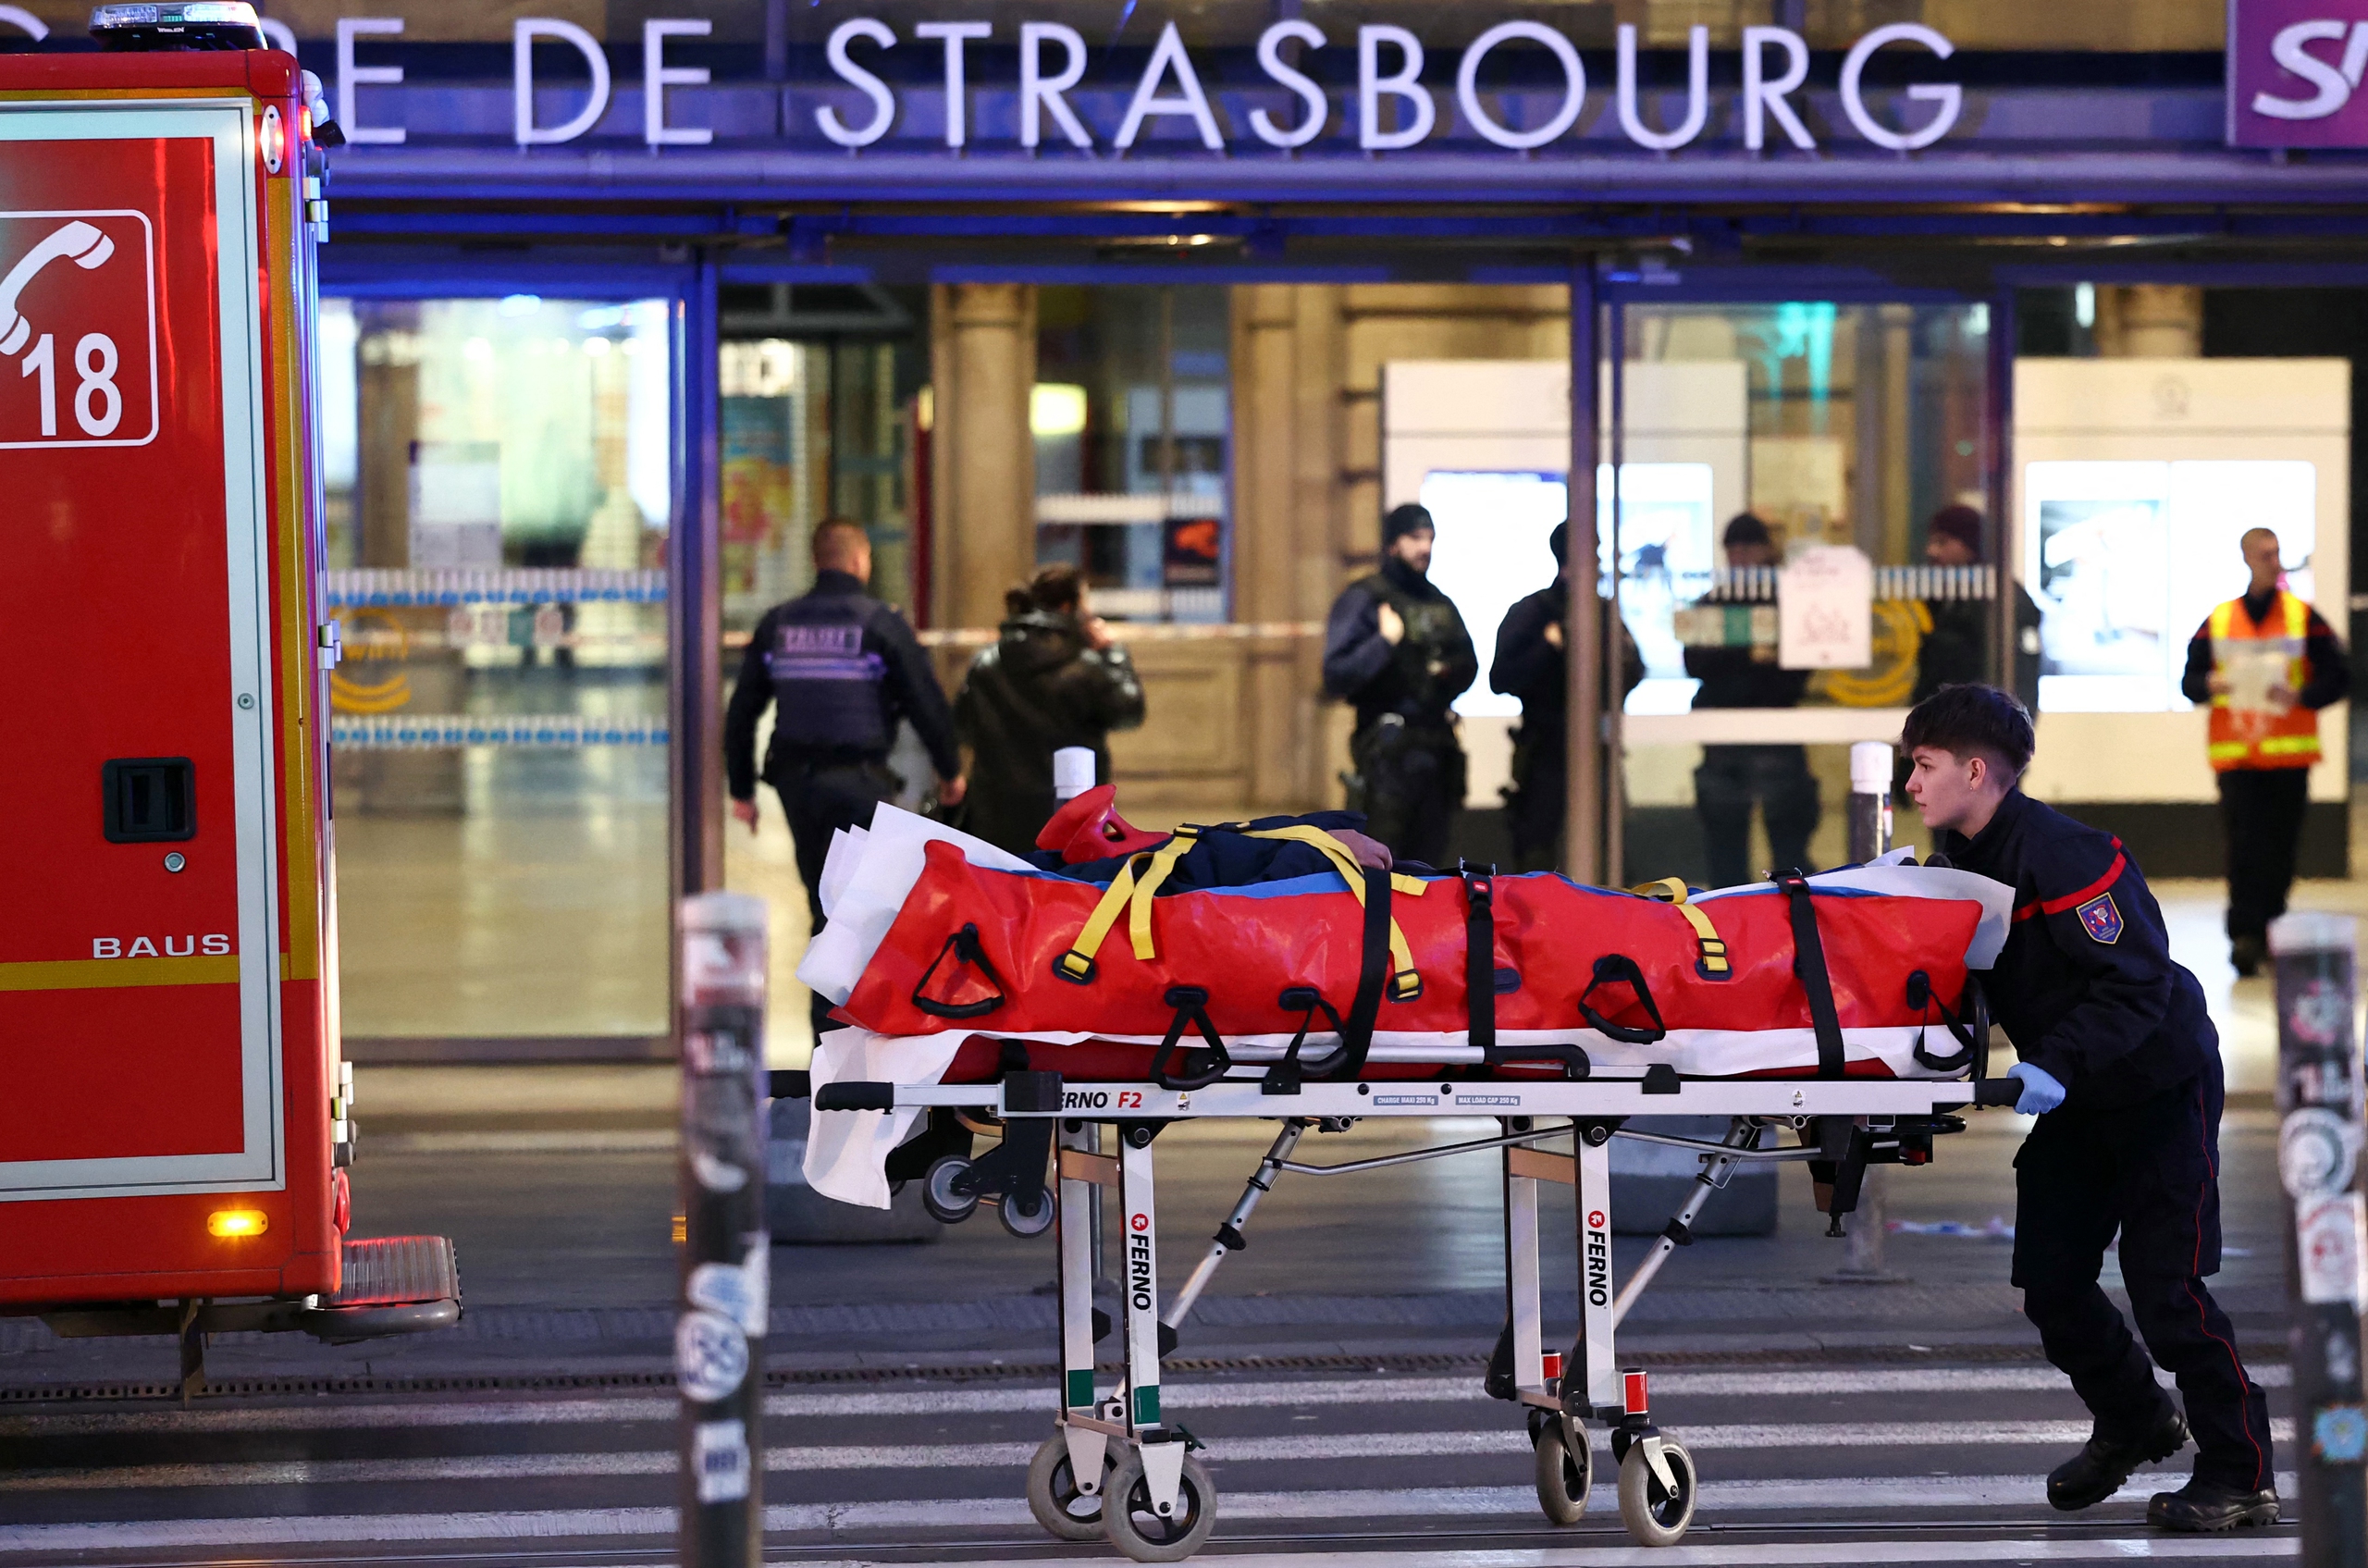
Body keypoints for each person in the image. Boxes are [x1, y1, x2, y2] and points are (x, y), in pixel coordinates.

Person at [1904, 683, 2276, 1534]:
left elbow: (2137, 982)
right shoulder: (1960, 865)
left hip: (2157, 1087)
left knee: (2167, 1291)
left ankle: (2241, 1469)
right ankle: (2136, 1416)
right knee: (2051, 1277)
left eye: (1923, 766)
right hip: (2079, 1095)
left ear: (1973, 770)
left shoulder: (2068, 857)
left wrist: (2051, 1063)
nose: (1912, 784)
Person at [724, 518, 965, 1035]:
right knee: (860, 904)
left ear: (818, 560)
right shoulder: (879, 622)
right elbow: (926, 702)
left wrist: (742, 790)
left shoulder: (778, 623)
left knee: (822, 897)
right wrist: (951, 771)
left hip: (796, 785)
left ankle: (830, 1031)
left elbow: (742, 711)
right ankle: (853, 1029)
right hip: (860, 784)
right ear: (859, 561)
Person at [2178, 527, 2350, 977]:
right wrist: (2209, 685)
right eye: (2265, 554)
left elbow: (2339, 676)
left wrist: (2302, 695)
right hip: (2238, 758)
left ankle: (2272, 924)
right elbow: (2188, 682)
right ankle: (2246, 935)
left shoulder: (2304, 617)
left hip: (2289, 758)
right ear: (2247, 559)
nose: (2275, 562)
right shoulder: (2218, 620)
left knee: (2281, 848)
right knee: (2243, 848)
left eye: (2277, 554)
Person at [1323, 502, 1478, 869]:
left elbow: (1469, 665)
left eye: (1430, 538)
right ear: (1393, 543)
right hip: (1387, 758)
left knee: (1429, 870)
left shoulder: (1438, 602)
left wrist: (1443, 674)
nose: (1425, 547)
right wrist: (1385, 641)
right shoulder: (1366, 597)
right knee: (1381, 866)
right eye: (1415, 537)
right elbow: (1336, 674)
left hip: (1436, 754)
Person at [953, 564, 1146, 858]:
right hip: (1069, 818)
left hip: (994, 815)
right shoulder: (1085, 666)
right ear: (1069, 606)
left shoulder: (986, 663)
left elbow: (962, 728)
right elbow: (1129, 711)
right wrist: (1113, 653)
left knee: (1001, 897)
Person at [1488, 521, 1644, 872]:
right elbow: (1501, 679)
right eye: (1594, 555)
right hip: (1546, 753)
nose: (1600, 564)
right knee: (1538, 858)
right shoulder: (1534, 611)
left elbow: (1634, 670)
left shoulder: (1604, 613)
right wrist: (1548, 647)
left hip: (1597, 748)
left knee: (1611, 856)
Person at [1684, 513, 1817, 888]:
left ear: (1765, 550)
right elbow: (1695, 661)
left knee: (1790, 853)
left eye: (1748, 547)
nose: (1740, 556)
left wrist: (1732, 654)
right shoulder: (1713, 602)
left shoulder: (1786, 602)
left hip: (1775, 733)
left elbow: (1794, 670)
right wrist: (1754, 655)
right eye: (1733, 548)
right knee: (1726, 853)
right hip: (1730, 737)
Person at [1913, 502, 2042, 710]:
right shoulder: (1941, 597)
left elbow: (2021, 671)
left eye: (1942, 542)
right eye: (1931, 541)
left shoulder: (2001, 599)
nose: (1932, 551)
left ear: (1968, 545)